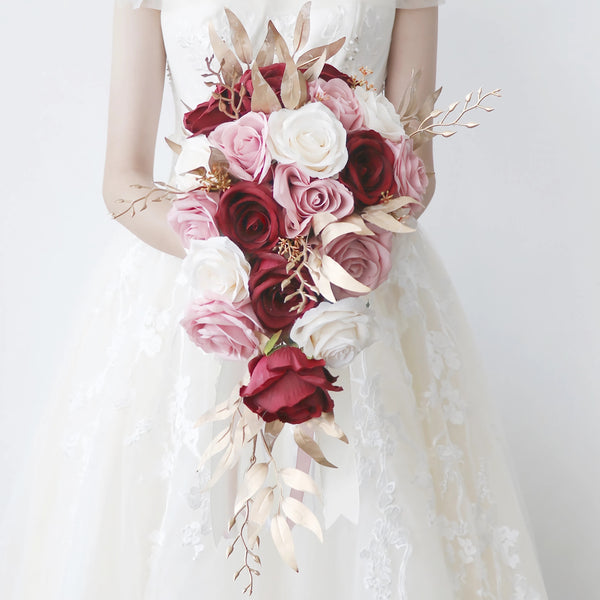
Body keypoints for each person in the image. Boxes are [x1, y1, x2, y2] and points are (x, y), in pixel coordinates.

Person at [0, 1, 549, 598]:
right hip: (198, 287)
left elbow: (416, 167)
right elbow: (123, 181)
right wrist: (234, 255)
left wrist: (329, 254)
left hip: (355, 290)